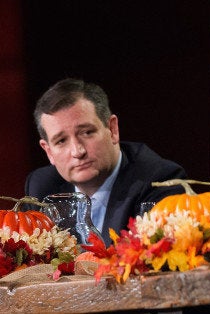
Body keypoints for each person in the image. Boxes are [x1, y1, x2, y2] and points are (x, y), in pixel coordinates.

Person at [25, 78, 187, 245]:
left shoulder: (160, 180)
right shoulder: (40, 188)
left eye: (87, 132)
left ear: (112, 129)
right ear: (48, 151)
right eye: (61, 141)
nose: (77, 151)